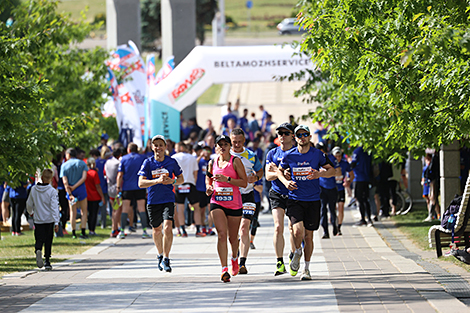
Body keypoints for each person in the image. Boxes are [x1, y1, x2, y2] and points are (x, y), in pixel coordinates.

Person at [278, 125, 335, 280]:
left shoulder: (318, 154)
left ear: (310, 137)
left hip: (313, 199)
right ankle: (297, 252)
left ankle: (307, 269)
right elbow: (279, 171)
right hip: (295, 198)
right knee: (297, 232)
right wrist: (285, 182)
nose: (302, 137)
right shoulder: (290, 155)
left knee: (309, 236)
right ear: (295, 138)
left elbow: (332, 171)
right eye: (299, 135)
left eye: (305, 135)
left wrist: (319, 174)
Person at [138, 135, 184, 273]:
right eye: (156, 145)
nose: (158, 148)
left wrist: (173, 181)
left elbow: (181, 178)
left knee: (168, 227)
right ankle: (159, 254)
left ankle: (166, 258)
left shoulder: (172, 162)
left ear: (165, 147)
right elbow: (140, 183)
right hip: (153, 200)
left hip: (168, 199)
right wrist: (156, 181)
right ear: (152, 147)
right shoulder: (148, 163)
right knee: (157, 230)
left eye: (161, 145)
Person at [206, 135, 248, 282]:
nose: (222, 147)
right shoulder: (212, 162)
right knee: (222, 234)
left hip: (234, 203)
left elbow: (244, 183)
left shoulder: (235, 161)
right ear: (216, 147)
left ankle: (234, 258)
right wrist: (209, 187)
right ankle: (224, 269)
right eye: (220, 144)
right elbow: (208, 177)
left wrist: (228, 179)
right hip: (217, 201)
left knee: (232, 237)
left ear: (230, 146)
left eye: (225, 144)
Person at [230, 128, 263, 275]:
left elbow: (260, 171)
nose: (236, 145)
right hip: (231, 196)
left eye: (239, 142)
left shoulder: (251, 155)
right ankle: (234, 258)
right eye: (234, 142)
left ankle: (242, 262)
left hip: (248, 194)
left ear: (244, 141)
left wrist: (255, 178)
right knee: (233, 231)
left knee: (244, 227)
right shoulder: (225, 155)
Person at [265, 122, 296, 275]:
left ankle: (292, 254)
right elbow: (268, 176)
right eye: (280, 134)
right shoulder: (272, 153)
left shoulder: (297, 152)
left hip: (293, 194)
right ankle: (279, 261)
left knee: (292, 228)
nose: (282, 136)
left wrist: (280, 172)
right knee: (278, 227)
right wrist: (279, 173)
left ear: (292, 136)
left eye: (286, 133)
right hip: (277, 192)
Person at [26, 169, 60, 270]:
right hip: (49, 220)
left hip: (38, 219)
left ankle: (38, 249)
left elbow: (29, 204)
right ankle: (47, 261)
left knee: (39, 237)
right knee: (48, 240)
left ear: (41, 178)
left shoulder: (33, 190)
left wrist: (30, 212)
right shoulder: (52, 191)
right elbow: (54, 207)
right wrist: (57, 221)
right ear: (51, 179)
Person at [171, 142, 205, 237]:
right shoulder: (191, 158)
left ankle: (183, 231)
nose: (175, 149)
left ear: (181, 147)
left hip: (179, 184)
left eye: (176, 147)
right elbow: (195, 172)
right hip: (190, 183)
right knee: (196, 208)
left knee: (180, 208)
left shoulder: (173, 157)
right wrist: (193, 182)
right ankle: (198, 229)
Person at [116, 143, 150, 239]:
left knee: (125, 209)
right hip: (140, 186)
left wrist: (118, 187)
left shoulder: (124, 159)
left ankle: (122, 231)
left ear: (129, 150)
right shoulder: (143, 158)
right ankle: (144, 231)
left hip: (127, 187)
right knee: (142, 208)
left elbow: (120, 175)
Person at [60, 148, 88, 239]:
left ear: (68, 155)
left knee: (72, 212)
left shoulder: (64, 165)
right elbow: (84, 178)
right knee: (84, 211)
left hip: (70, 190)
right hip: (80, 189)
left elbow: (65, 181)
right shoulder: (82, 163)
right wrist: (75, 186)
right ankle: (83, 232)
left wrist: (70, 191)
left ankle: (73, 233)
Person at [317, 142, 340, 239]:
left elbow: (338, 172)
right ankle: (325, 231)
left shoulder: (331, 158)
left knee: (332, 209)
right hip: (321, 188)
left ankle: (335, 227)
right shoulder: (315, 159)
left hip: (332, 187)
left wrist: (327, 172)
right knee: (323, 210)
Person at [331, 146, 354, 236]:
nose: (338, 158)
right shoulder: (329, 163)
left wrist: (348, 182)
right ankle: (334, 223)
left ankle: (339, 227)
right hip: (331, 189)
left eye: (339, 156)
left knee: (341, 208)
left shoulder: (345, 164)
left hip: (340, 189)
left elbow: (352, 175)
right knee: (333, 209)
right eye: (336, 156)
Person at [351, 146, 373, 227]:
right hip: (366, 178)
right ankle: (369, 219)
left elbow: (353, 163)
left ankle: (363, 219)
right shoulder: (368, 152)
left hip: (358, 178)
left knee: (359, 199)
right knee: (366, 199)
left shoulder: (357, 151)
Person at [84, 157, 105, 236]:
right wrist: (102, 196)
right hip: (95, 196)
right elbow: (97, 186)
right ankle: (92, 230)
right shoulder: (94, 173)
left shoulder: (85, 173)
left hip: (87, 195)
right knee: (94, 214)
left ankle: (89, 228)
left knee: (89, 213)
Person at [196, 145, 213, 235]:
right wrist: (200, 156)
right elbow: (194, 165)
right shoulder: (199, 161)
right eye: (204, 150)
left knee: (211, 209)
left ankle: (210, 227)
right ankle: (203, 227)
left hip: (210, 188)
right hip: (200, 188)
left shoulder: (212, 162)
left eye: (208, 150)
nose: (206, 152)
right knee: (202, 209)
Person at [106, 148, 123, 237]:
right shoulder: (118, 163)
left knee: (114, 209)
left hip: (109, 188)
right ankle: (114, 229)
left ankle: (115, 227)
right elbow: (120, 175)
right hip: (117, 188)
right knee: (117, 209)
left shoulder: (107, 162)